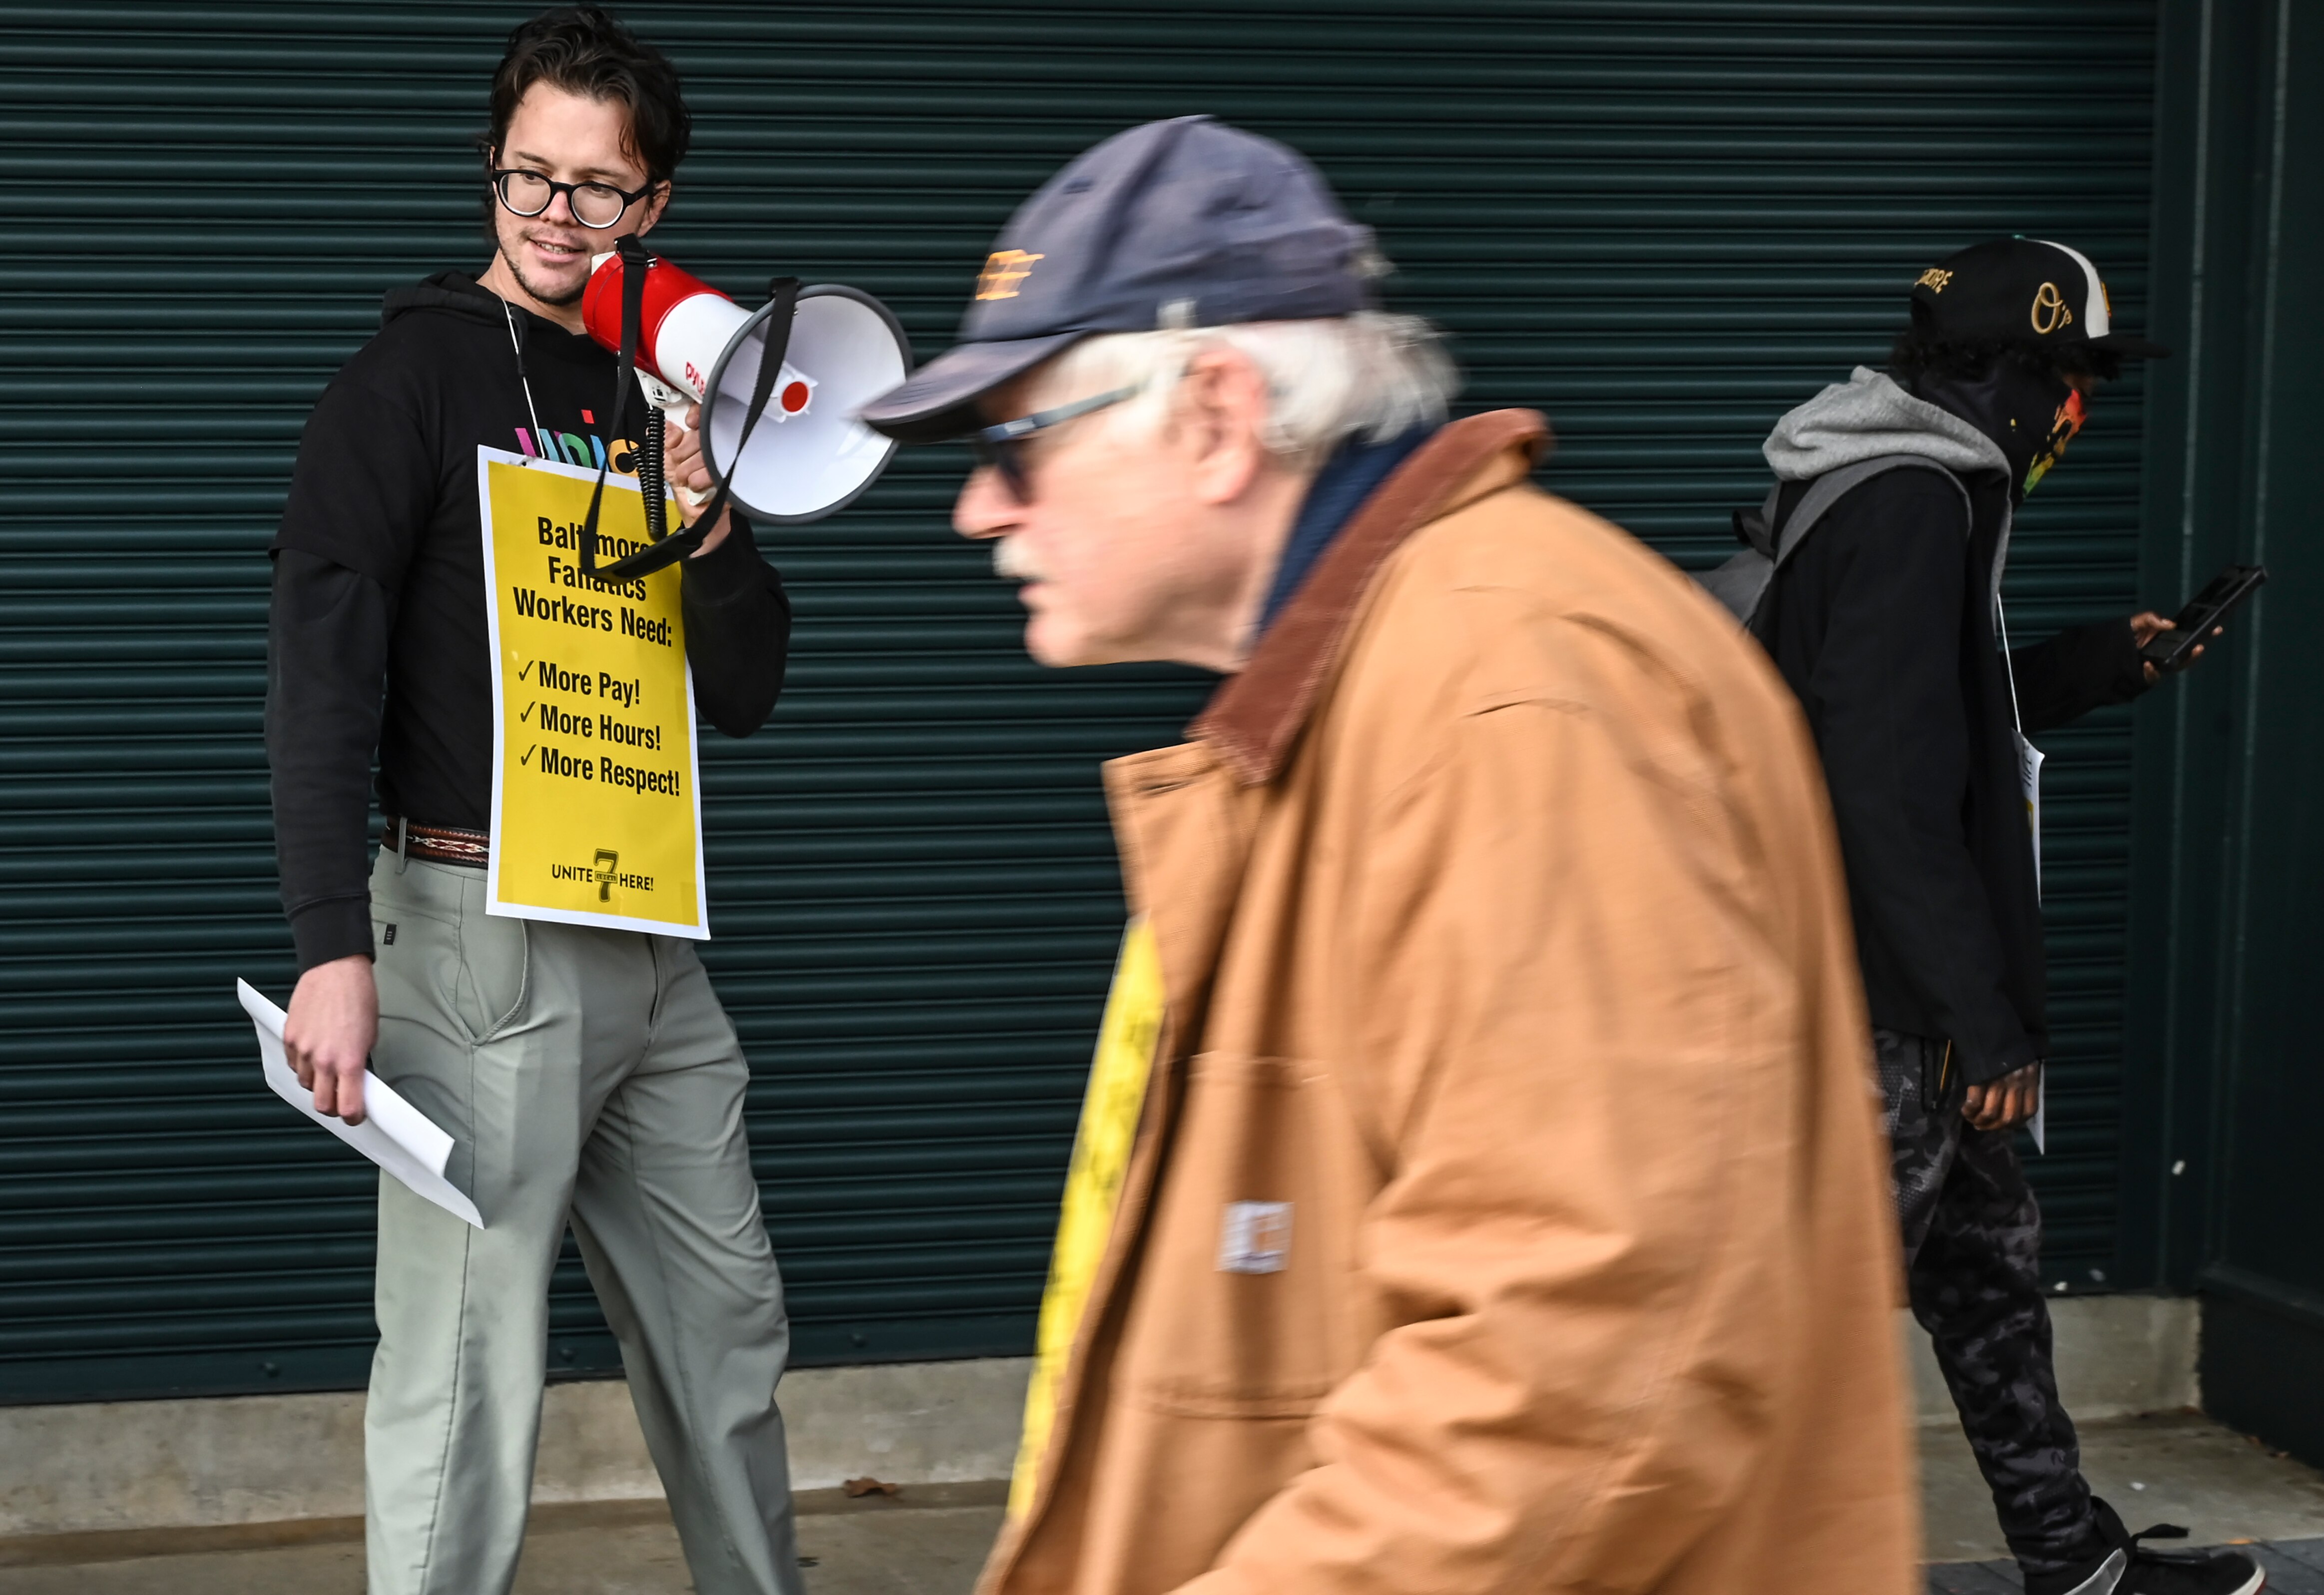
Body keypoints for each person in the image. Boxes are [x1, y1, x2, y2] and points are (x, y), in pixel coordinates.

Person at [860, 114, 1917, 1595]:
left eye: (1013, 444)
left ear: (1219, 415)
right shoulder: (1391, 688)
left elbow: (1584, 1363)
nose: (978, 507)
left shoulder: (1511, 692)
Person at [265, 9, 803, 1594]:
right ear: (490, 175)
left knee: (729, 1332)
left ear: (652, 208)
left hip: (648, 941)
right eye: (529, 178)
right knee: (466, 1382)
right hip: (474, 938)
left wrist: (705, 519)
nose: (556, 216)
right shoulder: (406, 380)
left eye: (597, 189)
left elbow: (750, 686)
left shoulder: (659, 396)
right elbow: (322, 661)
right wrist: (329, 944)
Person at [1749, 238, 2255, 1595]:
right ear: (2021, 375)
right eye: (2076, 381)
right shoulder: (1913, 499)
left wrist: (2101, 662)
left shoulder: (1884, 483)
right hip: (1888, 1003)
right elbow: (1883, 782)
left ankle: (2071, 1558)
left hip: (1898, 987)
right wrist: (1980, 1020)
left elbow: (1921, 713)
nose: (2082, 414)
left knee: (1984, 1276)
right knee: (1799, 1327)